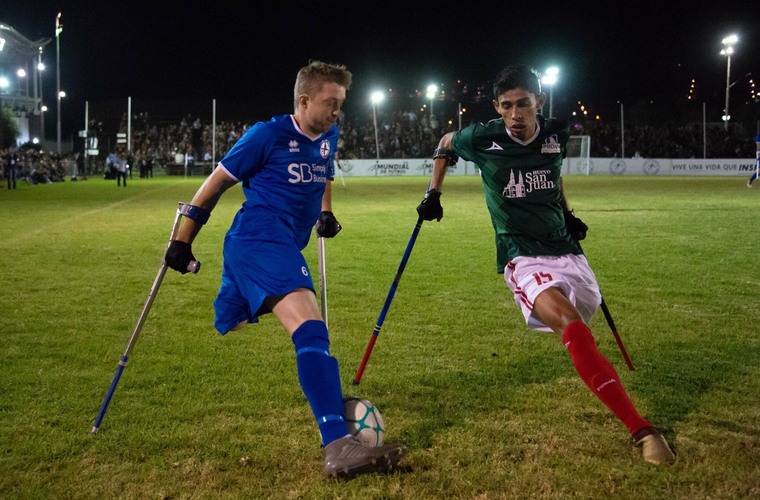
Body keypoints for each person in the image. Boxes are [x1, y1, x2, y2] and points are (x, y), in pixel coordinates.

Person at [416, 64, 675, 465]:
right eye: (506, 106)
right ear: (497, 107)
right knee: (570, 321)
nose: (515, 114)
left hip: (565, 248)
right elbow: (446, 140)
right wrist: (434, 192)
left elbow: (552, 178)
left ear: (539, 101)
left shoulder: (557, 133)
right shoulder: (482, 137)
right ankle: (641, 429)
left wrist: (568, 213)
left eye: (523, 104)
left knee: (580, 317)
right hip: (521, 253)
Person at [163, 60, 406, 479]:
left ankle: (233, 303)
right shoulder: (267, 134)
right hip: (260, 239)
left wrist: (325, 212)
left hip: (279, 242)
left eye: (341, 104)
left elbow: (324, 170)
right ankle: (338, 446)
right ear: (304, 100)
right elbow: (214, 184)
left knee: (236, 322)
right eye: (330, 103)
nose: (337, 112)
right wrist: (182, 240)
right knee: (312, 329)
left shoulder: (330, 134)